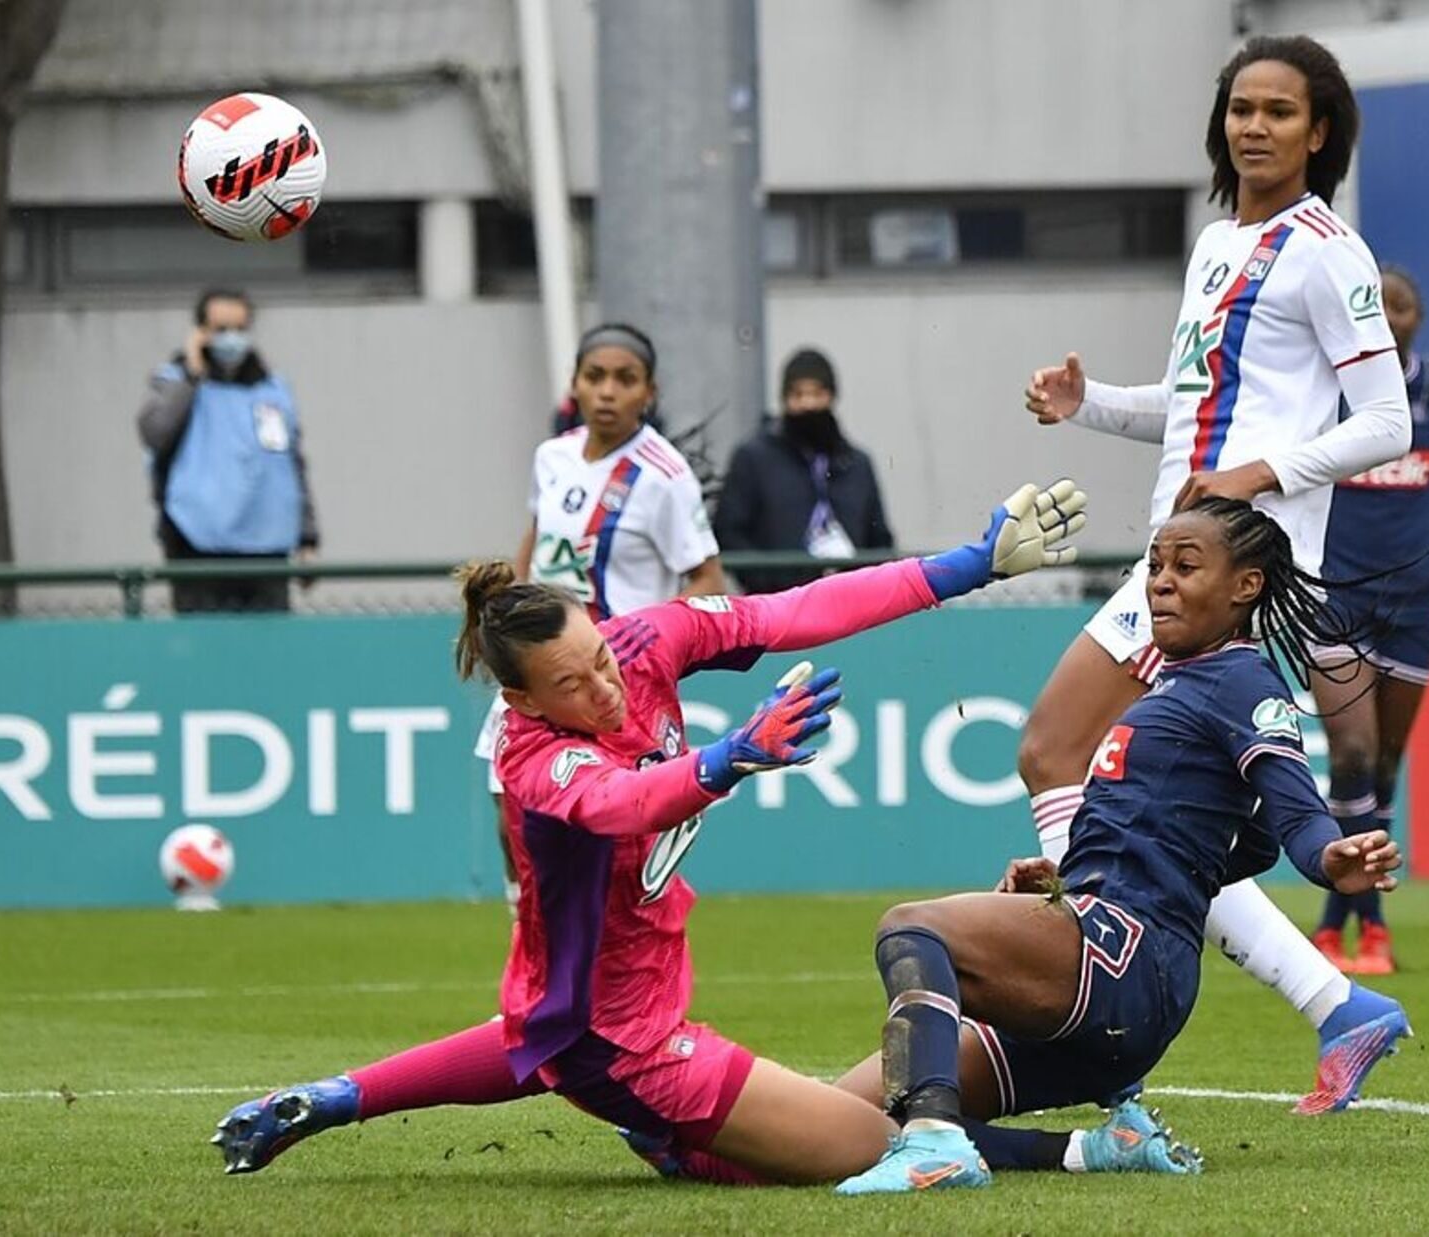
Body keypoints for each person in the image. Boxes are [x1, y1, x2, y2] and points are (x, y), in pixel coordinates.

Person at [211, 480, 1140, 1188]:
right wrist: (728, 757)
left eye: (599, 656)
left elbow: (796, 611)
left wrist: (967, 566)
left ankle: (663, 1141)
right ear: (521, 698)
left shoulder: (646, 640)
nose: (603, 686)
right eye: (571, 683)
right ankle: (1093, 1149)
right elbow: (623, 802)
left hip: (596, 1024)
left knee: (828, 1107)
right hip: (631, 1044)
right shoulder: (532, 758)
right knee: (891, 1147)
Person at [1015, 34, 1414, 1111]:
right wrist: (1087, 403)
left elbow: (1388, 421)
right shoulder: (1214, 243)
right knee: (1105, 790)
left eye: (1280, 111)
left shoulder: (1330, 251)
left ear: (1318, 131)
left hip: (1239, 568)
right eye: (1242, 107)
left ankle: (1113, 977)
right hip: (1177, 552)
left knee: (1057, 752)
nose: (1254, 125)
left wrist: (1260, 474)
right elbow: (1195, 402)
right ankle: (1339, 1006)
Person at [833, 499, 1403, 1193]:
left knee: (912, 926)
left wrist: (1328, 856)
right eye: (1156, 564)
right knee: (849, 1120)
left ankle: (935, 1143)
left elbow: (1295, 811)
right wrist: (1064, 884)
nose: (1160, 581)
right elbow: (1242, 846)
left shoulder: (1243, 681)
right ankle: (1093, 1149)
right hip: (1107, 971)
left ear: (1245, 586)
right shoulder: (1179, 683)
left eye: (1186, 566)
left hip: (1125, 960)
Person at [473, 324, 726, 911]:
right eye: (596, 377)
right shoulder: (552, 457)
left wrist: (660, 647)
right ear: (575, 386)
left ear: (649, 393)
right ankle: (528, 916)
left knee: (608, 827)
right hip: (542, 663)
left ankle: (618, 955)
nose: (608, 391)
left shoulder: (663, 476)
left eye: (625, 379)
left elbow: (706, 575)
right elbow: (536, 541)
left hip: (610, 675)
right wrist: (507, 621)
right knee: (503, 789)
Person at [1305, 266, 1429, 974]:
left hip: (1416, 592)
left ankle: (1332, 926)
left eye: (1403, 303)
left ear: (1419, 316)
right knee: (1351, 755)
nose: (1389, 314)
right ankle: (1376, 926)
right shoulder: (1322, 391)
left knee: (1384, 767)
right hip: (1333, 589)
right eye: (1377, 304)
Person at [138, 287, 320, 613]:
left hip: (267, 547)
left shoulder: (272, 391)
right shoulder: (175, 383)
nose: (231, 338)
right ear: (200, 332)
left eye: (239, 329)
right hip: (198, 544)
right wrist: (192, 373)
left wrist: (307, 538)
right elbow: (155, 432)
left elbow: (291, 464)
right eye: (221, 329)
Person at [714, 349, 895, 593]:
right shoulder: (753, 458)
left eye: (817, 394)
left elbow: (880, 539)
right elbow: (729, 532)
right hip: (777, 605)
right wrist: (765, 584)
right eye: (798, 394)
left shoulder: (857, 464)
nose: (808, 404)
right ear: (785, 399)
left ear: (831, 396)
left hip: (851, 602)